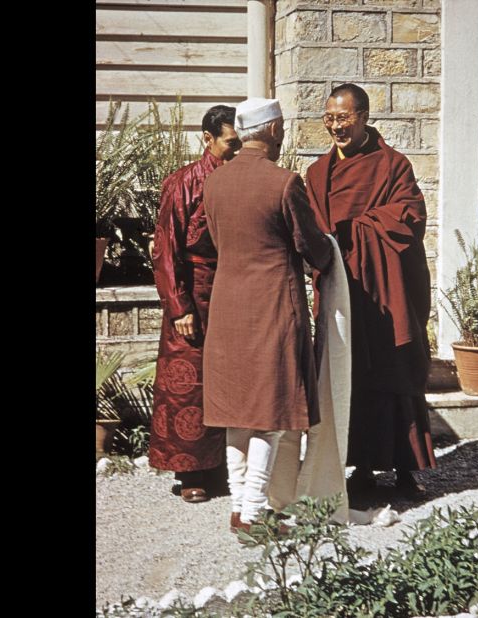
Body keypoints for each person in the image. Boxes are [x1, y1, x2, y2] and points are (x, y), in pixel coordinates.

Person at [201, 97, 334, 535]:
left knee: (237, 411)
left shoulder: (214, 182)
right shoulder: (284, 182)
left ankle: (240, 505)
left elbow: (218, 242)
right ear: (274, 131)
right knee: (272, 413)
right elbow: (312, 248)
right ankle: (255, 511)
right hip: (273, 305)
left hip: (227, 307)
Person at [304, 83, 437, 501]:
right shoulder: (316, 173)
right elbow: (310, 231)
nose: (335, 127)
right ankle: (360, 468)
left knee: (396, 372)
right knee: (351, 376)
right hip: (344, 291)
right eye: (329, 118)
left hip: (388, 289)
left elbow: (411, 214)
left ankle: (405, 470)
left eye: (343, 118)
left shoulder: (393, 165)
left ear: (363, 116)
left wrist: (355, 230)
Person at [147, 105, 242, 503]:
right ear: (208, 139)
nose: (236, 150)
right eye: (230, 142)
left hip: (233, 290)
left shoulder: (240, 179)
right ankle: (190, 473)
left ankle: (223, 466)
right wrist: (178, 306)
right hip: (192, 291)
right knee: (188, 384)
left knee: (228, 379)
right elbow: (165, 248)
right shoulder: (183, 182)